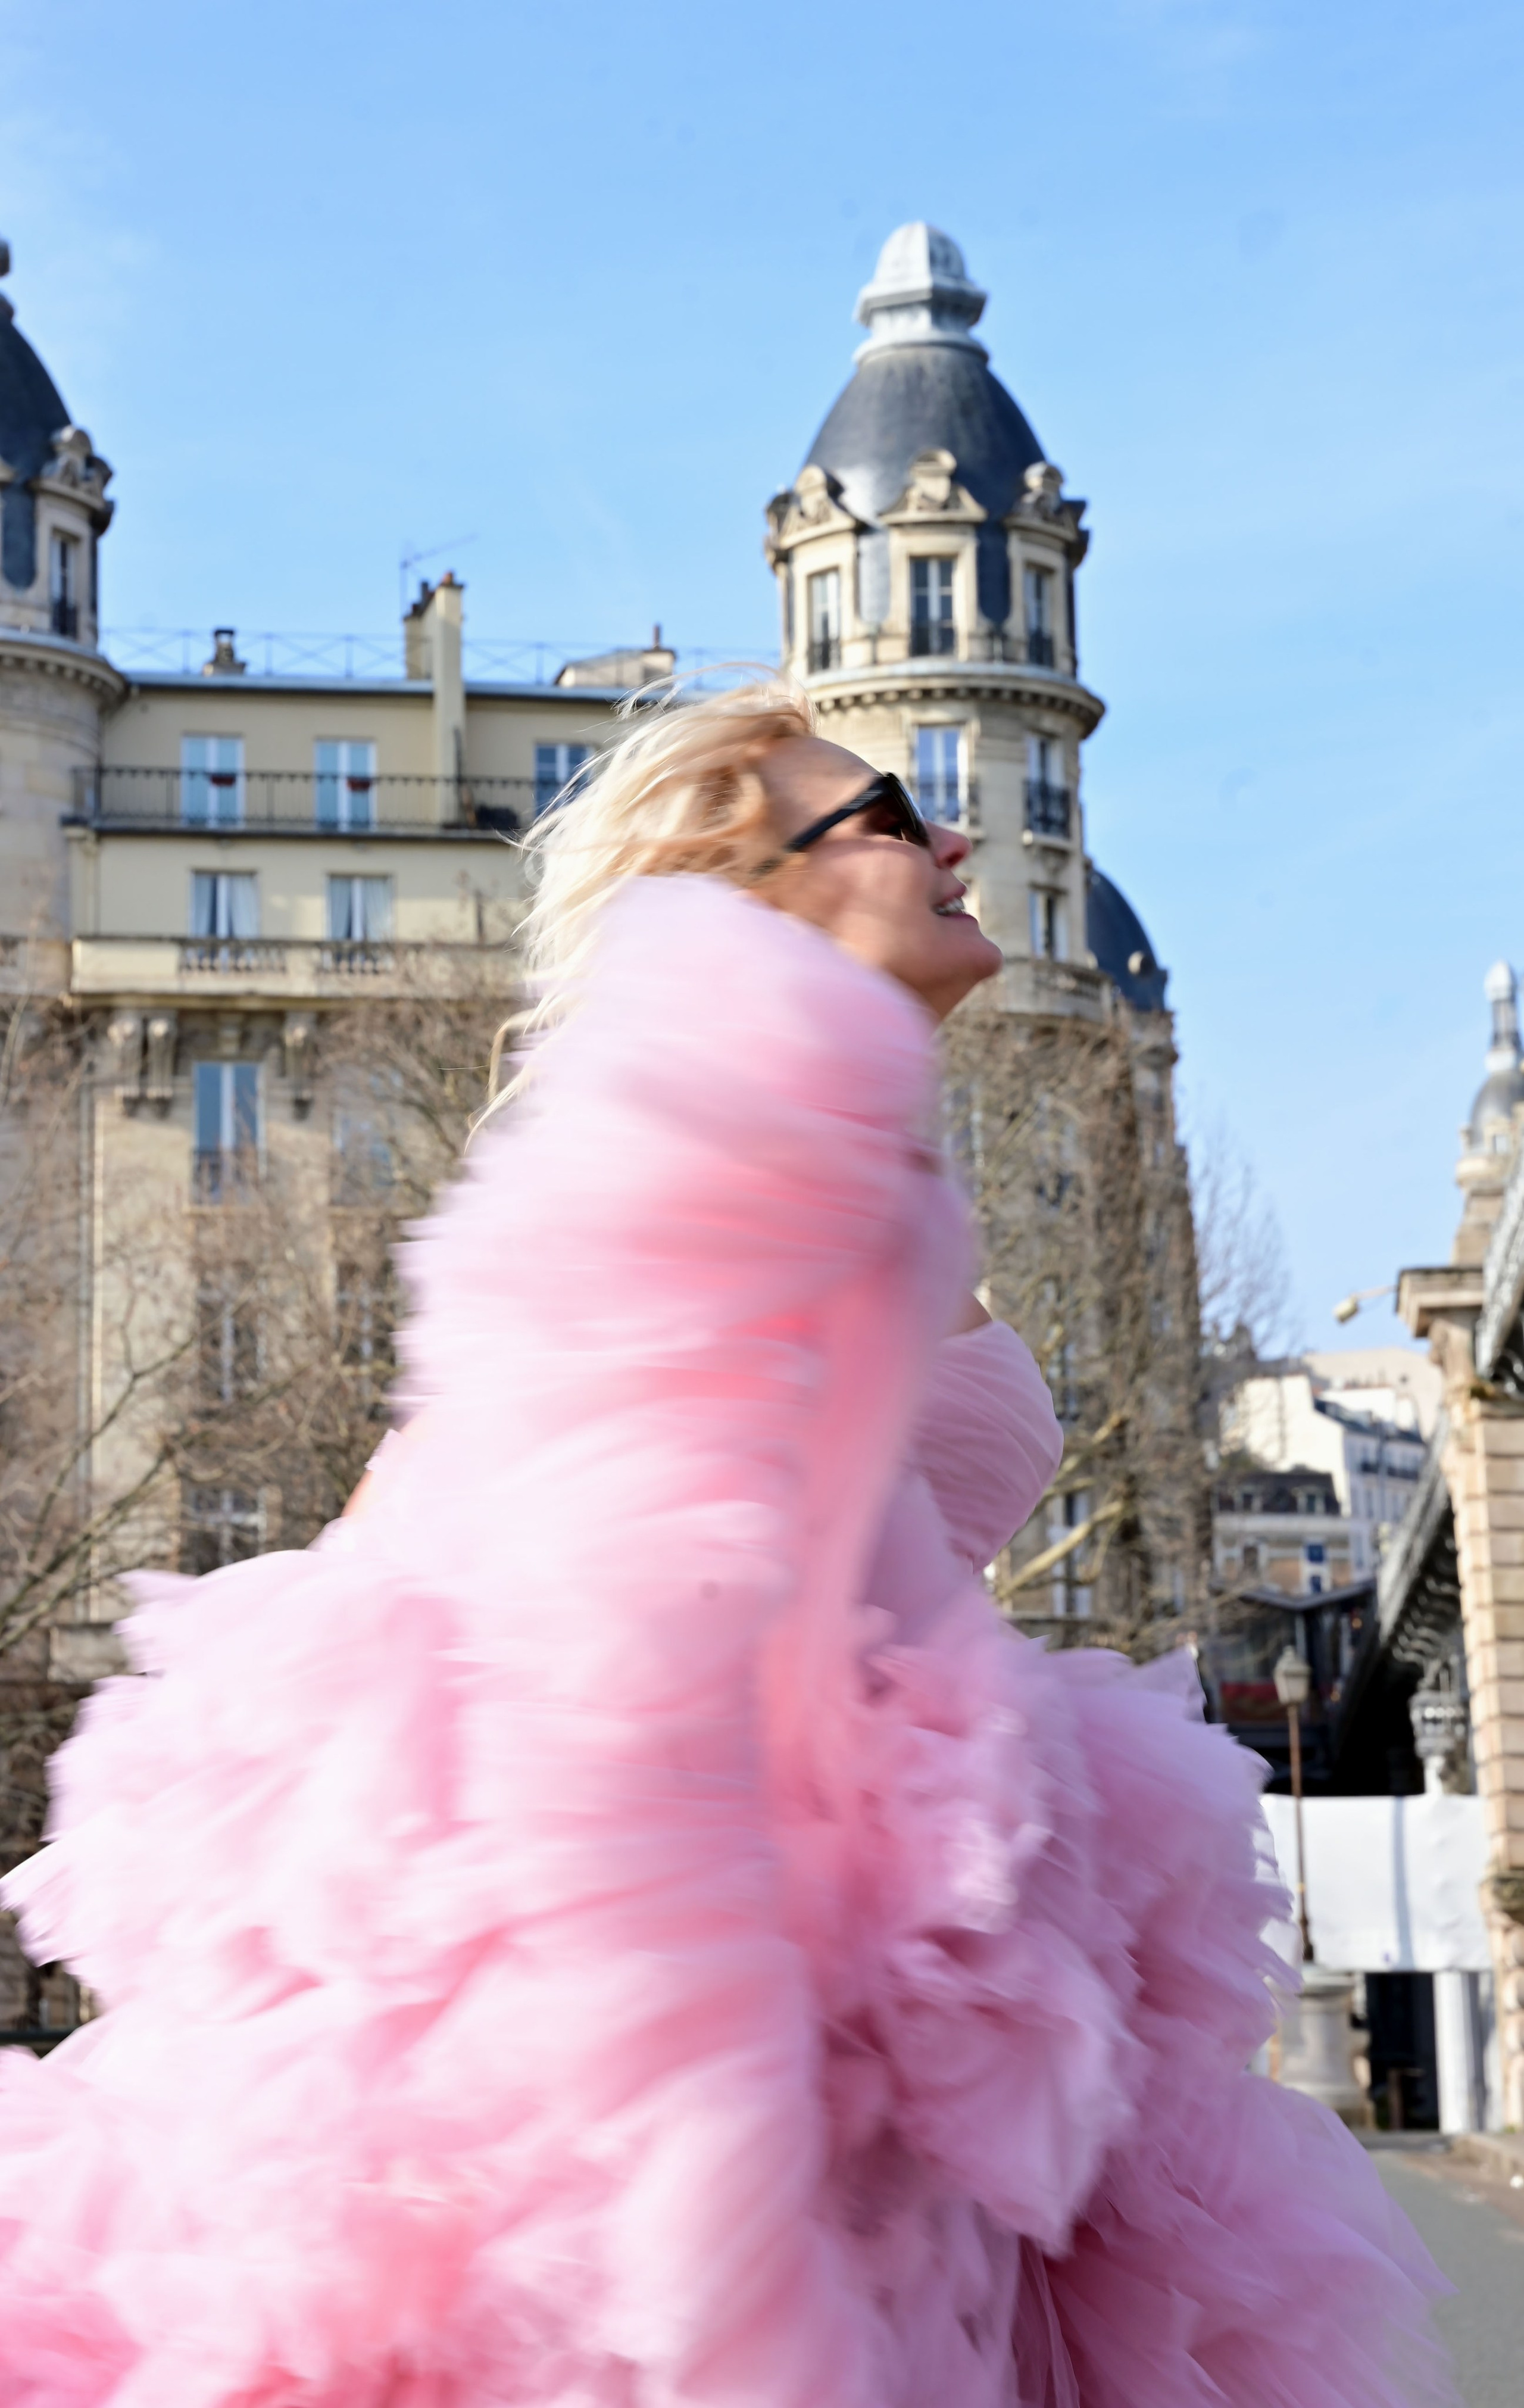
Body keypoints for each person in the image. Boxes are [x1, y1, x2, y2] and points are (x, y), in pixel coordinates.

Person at [0, 681, 1448, 2407]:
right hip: (722, 1991)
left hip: (888, 1989)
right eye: (900, 821)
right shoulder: (691, 1138)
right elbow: (412, 1556)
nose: (959, 838)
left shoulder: (851, 1143)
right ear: (747, 879)